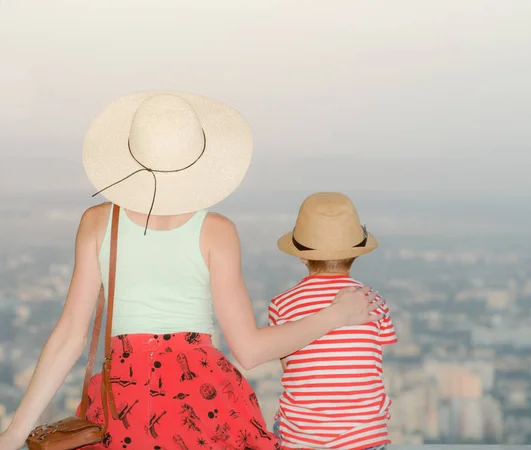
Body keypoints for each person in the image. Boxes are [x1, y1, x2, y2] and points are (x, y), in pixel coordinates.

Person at [0, 92, 384, 450]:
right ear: (197, 159)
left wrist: (14, 433)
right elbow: (249, 351)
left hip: (126, 402)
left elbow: (70, 337)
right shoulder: (217, 231)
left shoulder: (98, 223)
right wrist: (336, 315)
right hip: (204, 399)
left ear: (133, 154)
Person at [268, 192, 398, 450]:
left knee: (278, 426)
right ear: (356, 253)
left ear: (301, 255)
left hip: (303, 438)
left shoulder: (281, 305)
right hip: (366, 436)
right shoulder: (372, 300)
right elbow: (371, 360)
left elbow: (289, 364)